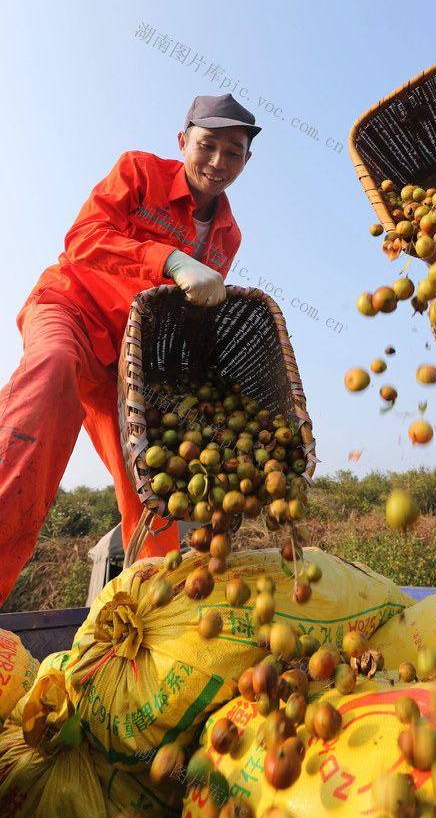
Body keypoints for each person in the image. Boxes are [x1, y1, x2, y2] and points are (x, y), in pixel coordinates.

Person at [0, 94, 261, 606]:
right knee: (48, 379)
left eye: (233, 153)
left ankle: (157, 622)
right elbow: (85, 239)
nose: (217, 162)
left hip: (130, 365)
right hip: (71, 312)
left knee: (156, 483)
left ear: (246, 162)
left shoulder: (228, 236)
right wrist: (170, 260)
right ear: (183, 141)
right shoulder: (138, 172)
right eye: (207, 145)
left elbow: (188, 318)